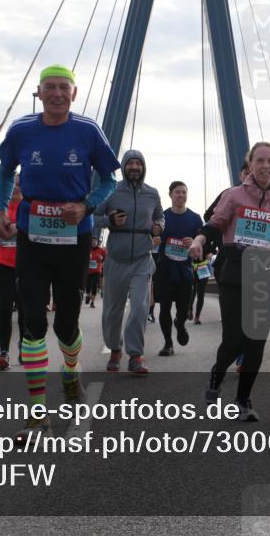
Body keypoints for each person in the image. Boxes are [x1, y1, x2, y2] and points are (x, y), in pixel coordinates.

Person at [0, 64, 121, 440]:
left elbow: (109, 178)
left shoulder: (88, 130)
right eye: (49, 88)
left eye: (62, 88)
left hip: (75, 238)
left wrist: (86, 206)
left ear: (74, 93)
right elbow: (5, 173)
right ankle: (37, 415)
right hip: (32, 236)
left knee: (66, 324)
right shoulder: (21, 129)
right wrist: (4, 209)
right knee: (32, 322)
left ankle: (70, 370)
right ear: (38, 92)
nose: (56, 94)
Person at [189, 142, 270, 421]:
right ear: (250, 163)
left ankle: (243, 400)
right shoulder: (234, 195)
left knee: (255, 342)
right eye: (261, 161)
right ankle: (216, 377)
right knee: (233, 340)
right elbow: (215, 224)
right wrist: (198, 240)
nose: (266, 166)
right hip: (235, 274)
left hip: (267, 276)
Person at [97, 150, 164, 375]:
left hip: (142, 259)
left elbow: (159, 217)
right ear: (124, 167)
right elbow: (91, 216)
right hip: (116, 258)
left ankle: (135, 355)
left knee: (140, 307)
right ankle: (115, 349)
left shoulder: (152, 193)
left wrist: (159, 227)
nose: (134, 167)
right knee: (112, 311)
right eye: (130, 163)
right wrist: (109, 220)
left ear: (143, 167)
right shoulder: (111, 191)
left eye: (138, 163)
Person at [155, 181, 203, 357]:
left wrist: (195, 241)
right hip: (165, 269)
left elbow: (202, 242)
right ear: (170, 195)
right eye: (177, 192)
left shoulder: (195, 218)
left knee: (183, 308)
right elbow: (152, 236)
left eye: (184, 192)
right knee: (165, 307)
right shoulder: (161, 217)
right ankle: (168, 344)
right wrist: (155, 239)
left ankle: (180, 324)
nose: (181, 195)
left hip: (185, 271)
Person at [0, 177, 23, 369]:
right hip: (3, 264)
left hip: (25, 265)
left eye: (20, 184)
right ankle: (4, 352)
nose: (16, 188)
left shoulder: (30, 207)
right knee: (5, 308)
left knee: (24, 309)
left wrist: (14, 229)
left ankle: (23, 346)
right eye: (13, 184)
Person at [84, 237, 106, 308]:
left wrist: (101, 258)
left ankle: (92, 302)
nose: (93, 242)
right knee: (88, 284)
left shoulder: (101, 250)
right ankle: (88, 296)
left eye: (95, 241)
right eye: (92, 241)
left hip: (97, 271)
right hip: (88, 271)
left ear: (97, 242)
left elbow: (105, 258)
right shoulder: (87, 249)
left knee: (94, 286)